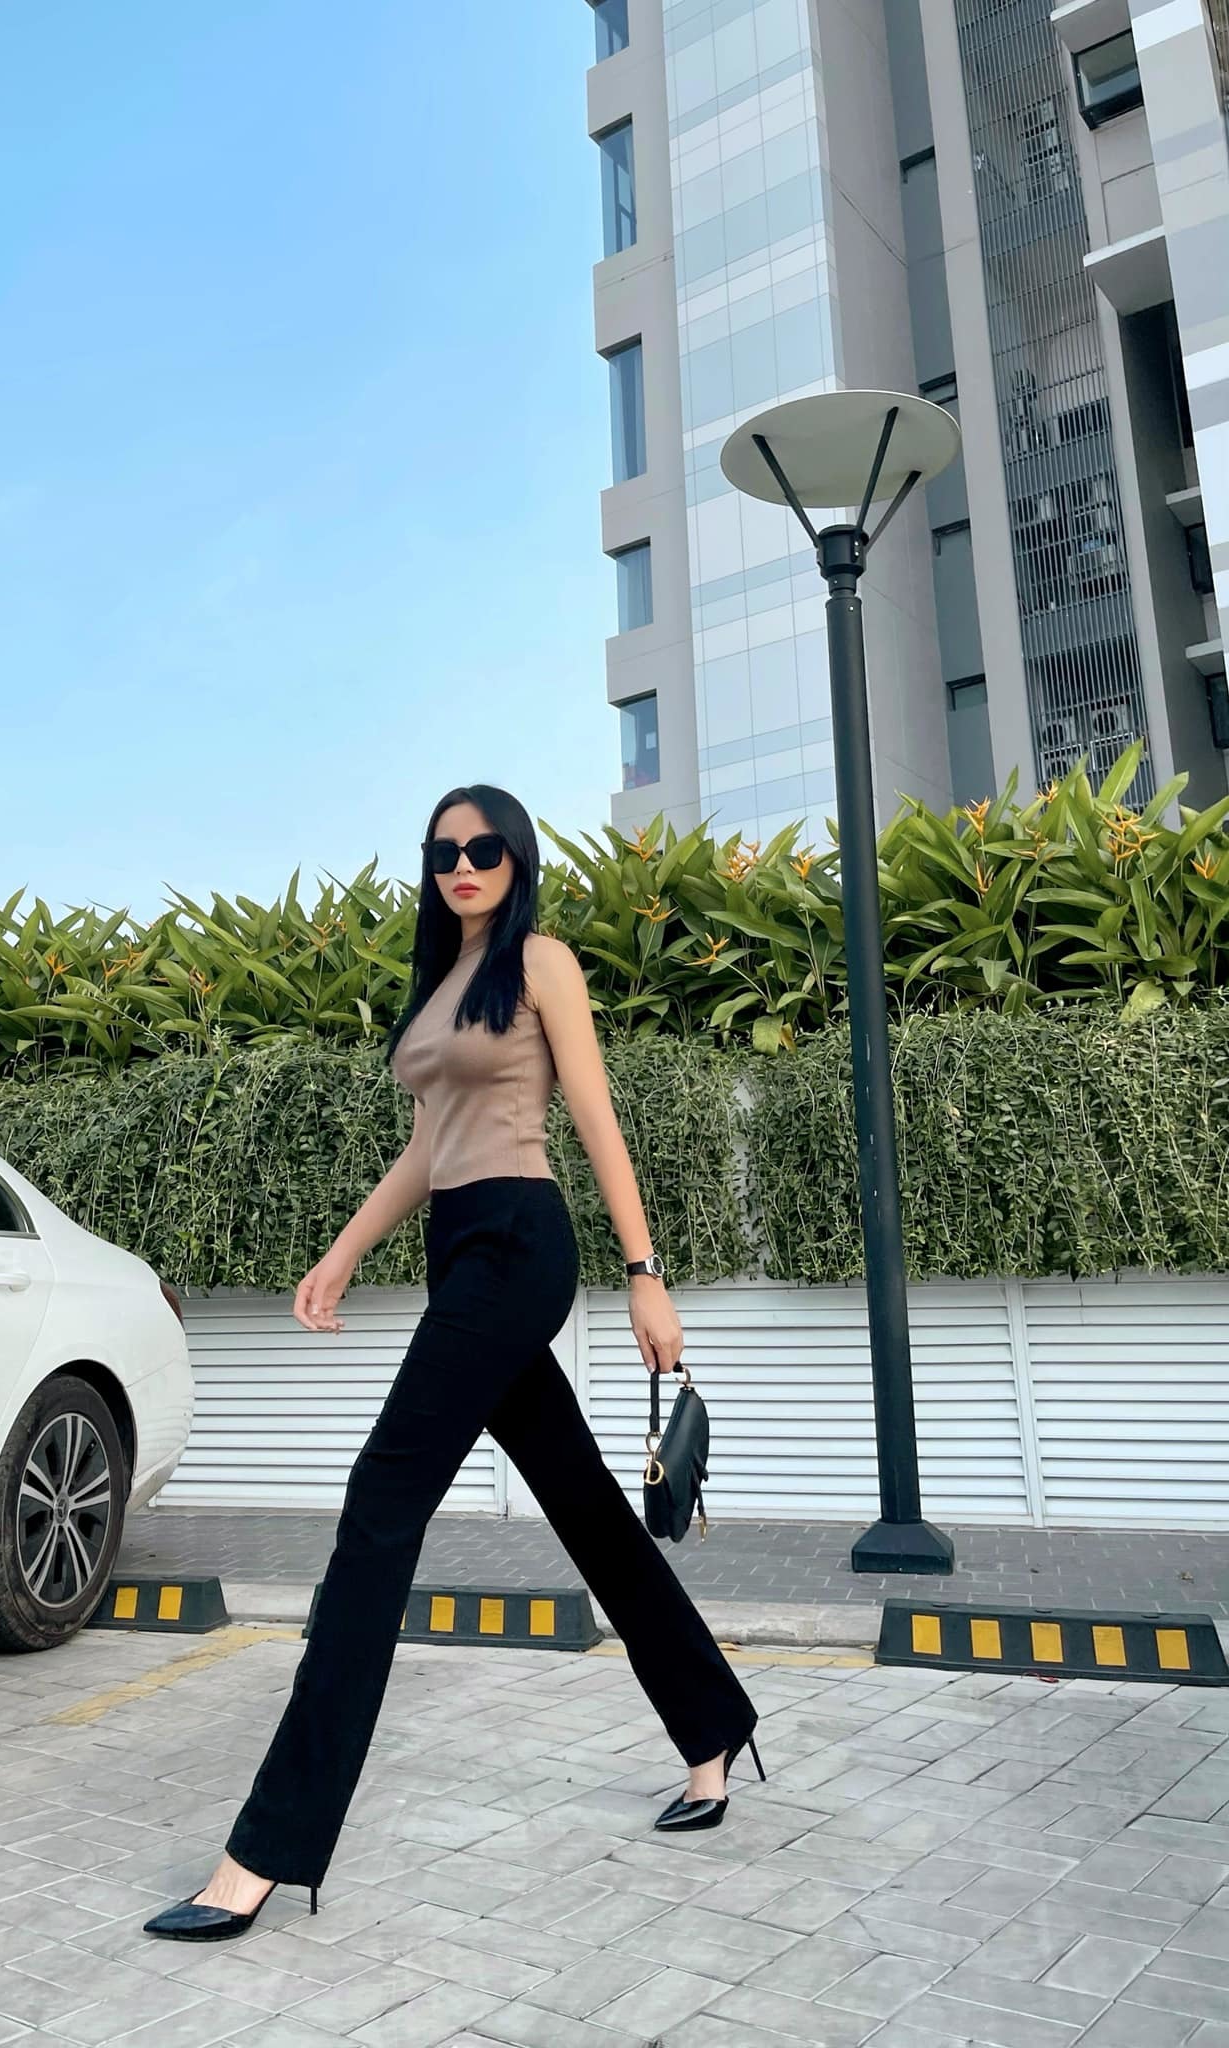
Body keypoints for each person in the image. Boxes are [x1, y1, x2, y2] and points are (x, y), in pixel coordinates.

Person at [143, 784, 760, 1945]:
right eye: (442, 852)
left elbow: (595, 1114)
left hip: (521, 1242)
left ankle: (265, 1850)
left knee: (381, 1497)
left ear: (516, 856)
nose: (462, 865)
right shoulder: (443, 985)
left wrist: (646, 1269)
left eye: (481, 848)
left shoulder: (541, 962)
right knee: (583, 1502)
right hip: (460, 1246)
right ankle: (712, 1724)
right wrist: (340, 1253)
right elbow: (427, 1148)